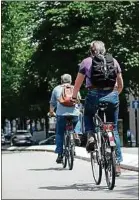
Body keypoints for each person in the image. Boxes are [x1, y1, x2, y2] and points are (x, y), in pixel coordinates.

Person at [71, 40, 123, 176]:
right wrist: (115, 94)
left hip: (93, 94)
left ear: (91, 50)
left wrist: (74, 96)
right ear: (104, 50)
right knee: (114, 128)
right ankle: (117, 164)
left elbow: (78, 83)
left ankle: (91, 136)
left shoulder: (86, 62)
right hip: (112, 95)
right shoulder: (114, 61)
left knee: (87, 114)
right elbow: (120, 83)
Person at [49, 74, 80, 163]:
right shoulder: (75, 88)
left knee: (59, 133)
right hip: (74, 114)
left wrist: (51, 113)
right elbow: (78, 101)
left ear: (61, 81)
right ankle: (76, 133)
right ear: (70, 81)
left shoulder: (56, 89)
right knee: (77, 119)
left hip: (61, 115)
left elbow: (52, 103)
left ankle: (60, 154)